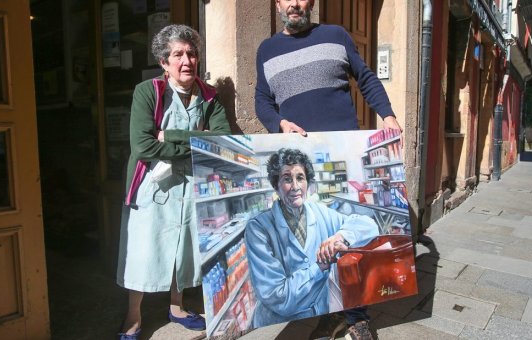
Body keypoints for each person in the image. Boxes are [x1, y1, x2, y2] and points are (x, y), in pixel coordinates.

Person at [255, 0, 401, 338]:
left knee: (348, 231)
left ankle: (357, 315)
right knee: (313, 240)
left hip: (343, 156)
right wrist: (278, 123)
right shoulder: (267, 49)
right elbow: (262, 100)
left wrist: (388, 115)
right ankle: (328, 308)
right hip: (300, 163)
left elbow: (365, 78)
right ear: (278, 4)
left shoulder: (336, 35)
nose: (294, 4)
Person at [117, 24, 231, 339]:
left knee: (185, 248)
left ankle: (177, 306)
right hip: (153, 186)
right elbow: (143, 147)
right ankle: (133, 315)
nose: (187, 61)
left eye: (192, 53)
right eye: (178, 54)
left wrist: (171, 136)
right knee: (144, 249)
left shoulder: (209, 96)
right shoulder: (148, 91)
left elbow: (224, 140)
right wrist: (198, 140)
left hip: (194, 184)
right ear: (164, 63)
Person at [244, 148, 379, 329]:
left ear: (307, 182)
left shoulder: (319, 212)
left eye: (300, 178)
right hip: (278, 327)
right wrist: (320, 266)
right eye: (286, 179)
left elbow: (368, 225)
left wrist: (341, 237)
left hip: (318, 317)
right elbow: (278, 297)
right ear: (276, 185)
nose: (295, 186)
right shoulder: (258, 228)